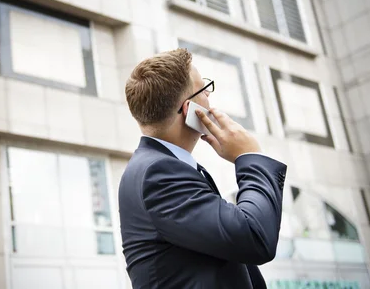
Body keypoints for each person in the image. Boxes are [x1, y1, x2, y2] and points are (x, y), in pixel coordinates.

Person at [118, 48, 287, 289]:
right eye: (203, 89)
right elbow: (254, 236)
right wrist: (250, 157)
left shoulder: (162, 168)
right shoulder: (159, 173)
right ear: (190, 109)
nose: (208, 94)